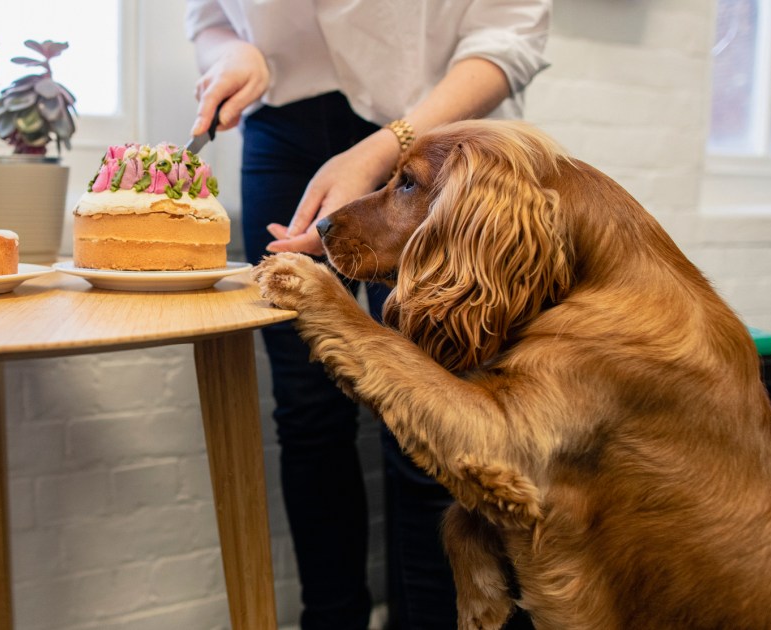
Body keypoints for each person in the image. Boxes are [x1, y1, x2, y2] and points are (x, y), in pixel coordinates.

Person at [184, 2, 550, 628]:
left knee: (435, 418)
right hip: (282, 138)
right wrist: (232, 53)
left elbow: (509, 35)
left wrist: (389, 150)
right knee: (306, 415)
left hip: (435, 140)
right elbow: (210, 16)